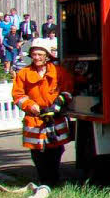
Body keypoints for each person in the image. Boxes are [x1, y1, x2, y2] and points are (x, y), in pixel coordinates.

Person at [11, 38, 73, 185]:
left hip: (54, 118)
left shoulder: (59, 72)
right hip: (35, 119)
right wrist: (29, 105)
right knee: (38, 153)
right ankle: (44, 182)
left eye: (40, 54)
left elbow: (68, 90)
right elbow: (17, 95)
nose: (37, 58)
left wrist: (58, 103)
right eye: (34, 54)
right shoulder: (24, 74)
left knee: (56, 151)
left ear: (47, 56)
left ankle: (54, 181)